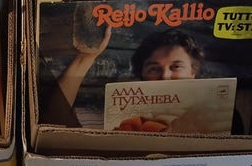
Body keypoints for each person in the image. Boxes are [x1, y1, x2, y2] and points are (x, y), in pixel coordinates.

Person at [48, 25, 238, 133]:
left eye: (176, 67)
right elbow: (55, 121)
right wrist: (87, 58)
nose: (165, 77)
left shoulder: (222, 118)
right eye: (154, 69)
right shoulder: (112, 119)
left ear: (192, 74)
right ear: (142, 76)